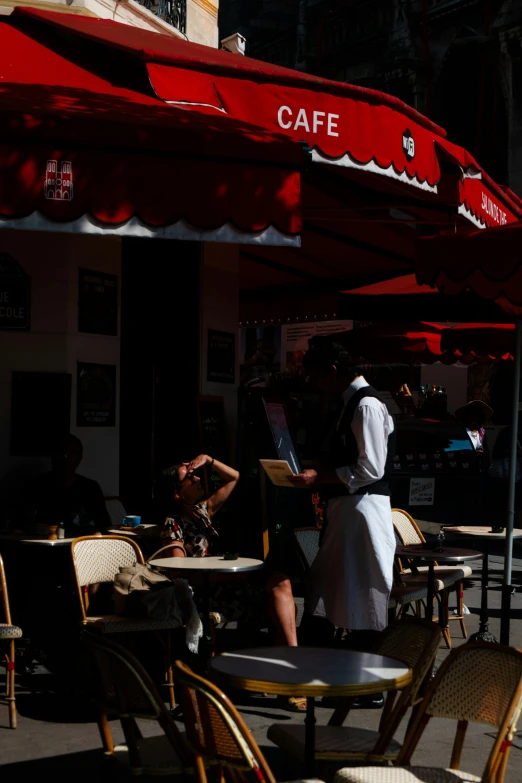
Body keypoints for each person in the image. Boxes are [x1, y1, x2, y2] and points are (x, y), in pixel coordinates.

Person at [155, 454, 304, 711]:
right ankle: (292, 678)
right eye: (188, 477)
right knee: (278, 602)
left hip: (227, 586)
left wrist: (208, 461)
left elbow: (232, 477)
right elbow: (181, 573)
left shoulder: (202, 512)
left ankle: (291, 673)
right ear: (178, 494)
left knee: (281, 583)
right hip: (206, 593)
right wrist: (229, 574)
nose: (195, 477)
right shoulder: (173, 524)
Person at [291, 338, 396, 658]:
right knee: (329, 586)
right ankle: (319, 660)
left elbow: (371, 468)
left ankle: (368, 678)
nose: (315, 385)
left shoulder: (365, 405)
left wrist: (318, 476)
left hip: (362, 511)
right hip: (348, 510)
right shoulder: (348, 403)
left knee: (363, 590)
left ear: (334, 371)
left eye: (316, 377)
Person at [29, 434, 110, 533]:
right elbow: (26, 523)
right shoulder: (37, 485)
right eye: (61, 454)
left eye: (71, 454)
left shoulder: (90, 488)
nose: (65, 459)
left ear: (79, 458)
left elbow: (104, 525)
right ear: (53, 456)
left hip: (79, 545)